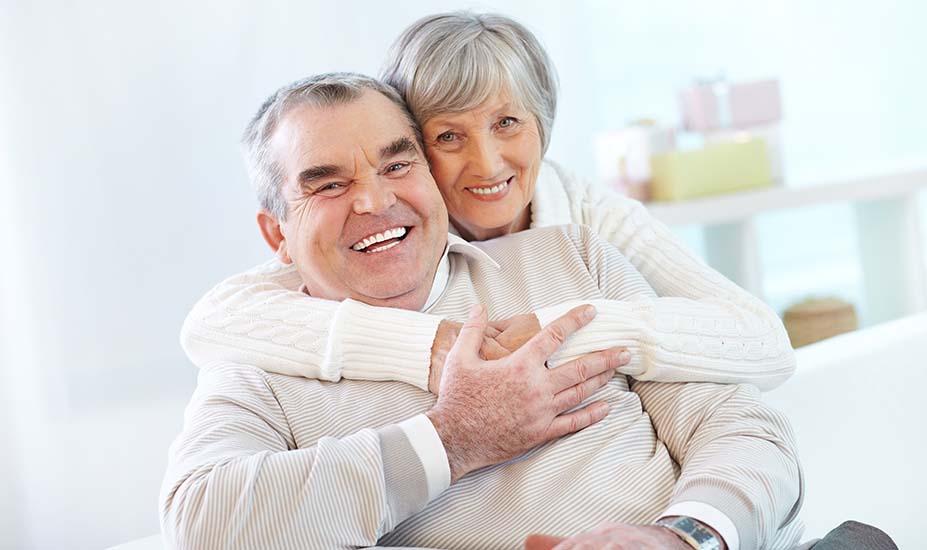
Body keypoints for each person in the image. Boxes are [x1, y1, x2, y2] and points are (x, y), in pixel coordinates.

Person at [161, 73, 806, 550]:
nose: (374, 201)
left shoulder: (572, 255)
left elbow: (743, 431)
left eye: (397, 162)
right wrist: (453, 438)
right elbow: (200, 522)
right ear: (276, 236)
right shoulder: (256, 368)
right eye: (328, 184)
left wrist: (686, 535)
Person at [179, 12, 795, 395]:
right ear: (411, 147)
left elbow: (764, 339)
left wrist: (573, 329)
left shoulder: (590, 217)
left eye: (507, 122)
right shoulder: (382, 232)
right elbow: (211, 323)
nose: (489, 163)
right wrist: (432, 346)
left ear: (542, 126)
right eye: (449, 136)